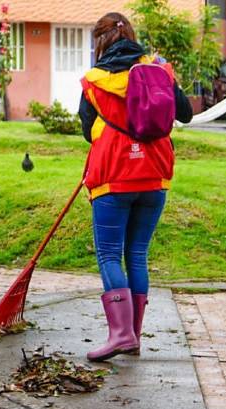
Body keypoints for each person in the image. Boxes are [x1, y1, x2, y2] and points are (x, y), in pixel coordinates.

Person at [77, 13, 193, 361]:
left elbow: (86, 129)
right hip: (155, 174)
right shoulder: (159, 70)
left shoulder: (94, 81)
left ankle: (121, 334)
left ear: (99, 42)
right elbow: (184, 114)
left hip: (113, 174)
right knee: (137, 254)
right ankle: (133, 335)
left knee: (110, 254)